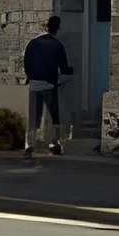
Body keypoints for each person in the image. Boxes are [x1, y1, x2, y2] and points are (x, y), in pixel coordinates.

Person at [22, 15, 74, 152]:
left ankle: (30, 144)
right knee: (53, 116)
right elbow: (64, 68)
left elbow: (26, 64)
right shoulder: (57, 45)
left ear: (45, 27)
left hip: (34, 84)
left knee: (34, 115)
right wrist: (70, 71)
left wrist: (31, 76)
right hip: (49, 84)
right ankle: (54, 143)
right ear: (57, 29)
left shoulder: (32, 44)